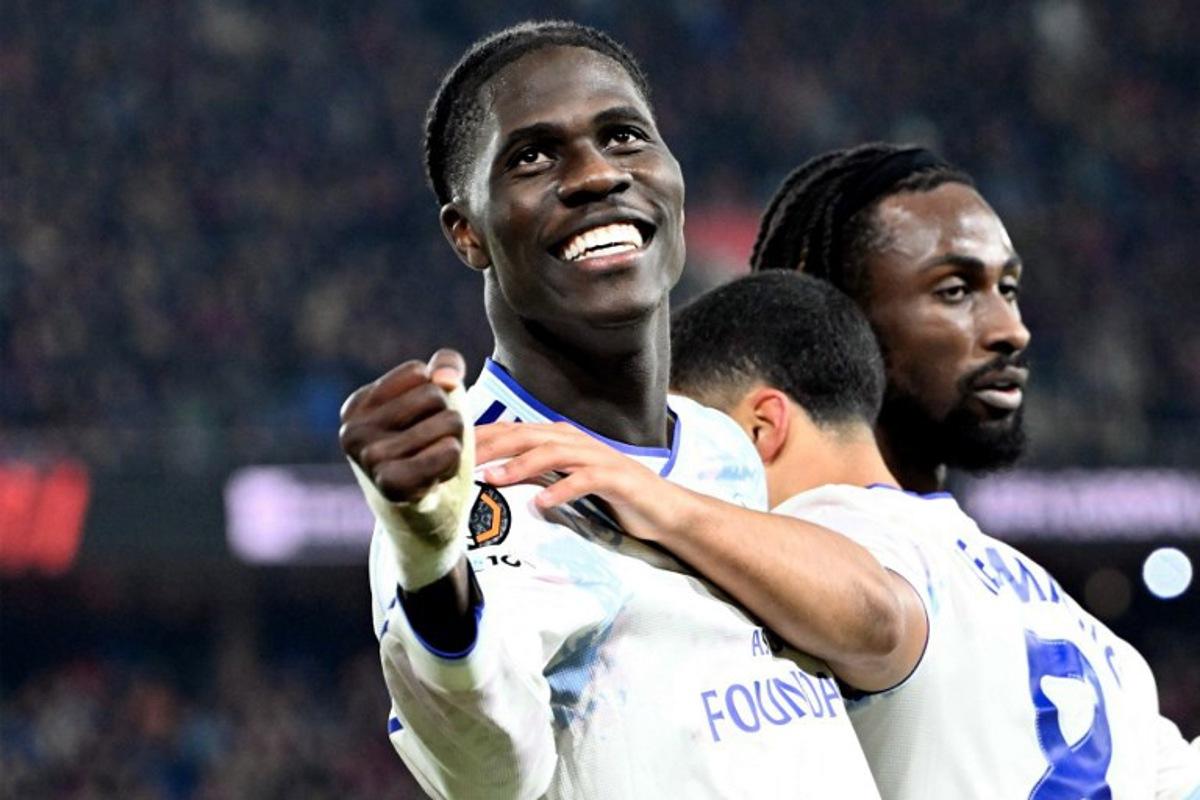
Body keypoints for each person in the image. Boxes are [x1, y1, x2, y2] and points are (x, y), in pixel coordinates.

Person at [338, 20, 880, 799]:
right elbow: (491, 774)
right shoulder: (482, 482)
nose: (596, 175)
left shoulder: (726, 446)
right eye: (531, 156)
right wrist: (431, 571)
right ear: (468, 235)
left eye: (624, 137)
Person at [479, 271, 1200, 798]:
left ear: (762, 427)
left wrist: (657, 498)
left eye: (695, 432)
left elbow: (876, 615)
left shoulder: (835, 529)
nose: (684, 463)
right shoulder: (1080, 628)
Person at [751, 143, 1029, 493]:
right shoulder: (777, 543)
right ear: (833, 322)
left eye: (1007, 289)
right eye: (956, 291)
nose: (1013, 332)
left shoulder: (959, 546)